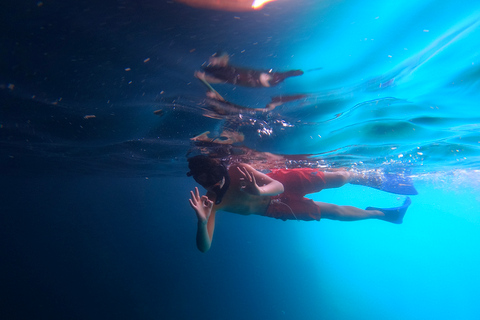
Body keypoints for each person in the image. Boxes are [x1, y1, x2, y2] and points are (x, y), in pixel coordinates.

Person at [187, 155, 416, 252]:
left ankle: (370, 177)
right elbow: (204, 247)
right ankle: (385, 214)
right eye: (202, 180)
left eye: (212, 177)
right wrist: (202, 222)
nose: (211, 185)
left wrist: (258, 189)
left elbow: (278, 186)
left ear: (219, 168)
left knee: (340, 178)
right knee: (332, 212)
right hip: (274, 208)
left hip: (280, 183)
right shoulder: (210, 202)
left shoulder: (238, 169)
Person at [195, 52, 304, 88]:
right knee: (224, 71)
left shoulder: (257, 81)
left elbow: (221, 79)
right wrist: (294, 73)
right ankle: (215, 64)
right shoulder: (261, 76)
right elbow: (285, 74)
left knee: (222, 75)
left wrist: (204, 78)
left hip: (232, 76)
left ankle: (209, 70)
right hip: (234, 74)